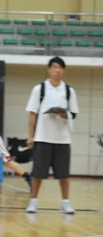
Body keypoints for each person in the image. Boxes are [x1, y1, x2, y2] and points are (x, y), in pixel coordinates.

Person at [25, 57, 78, 214]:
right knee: (38, 173)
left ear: (64, 71)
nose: (57, 70)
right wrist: (30, 135)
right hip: (42, 137)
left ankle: (66, 202)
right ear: (49, 70)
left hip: (63, 139)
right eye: (54, 67)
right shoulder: (39, 89)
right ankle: (33, 201)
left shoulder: (69, 91)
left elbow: (73, 114)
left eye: (60, 68)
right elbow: (32, 113)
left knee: (64, 174)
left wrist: (64, 114)